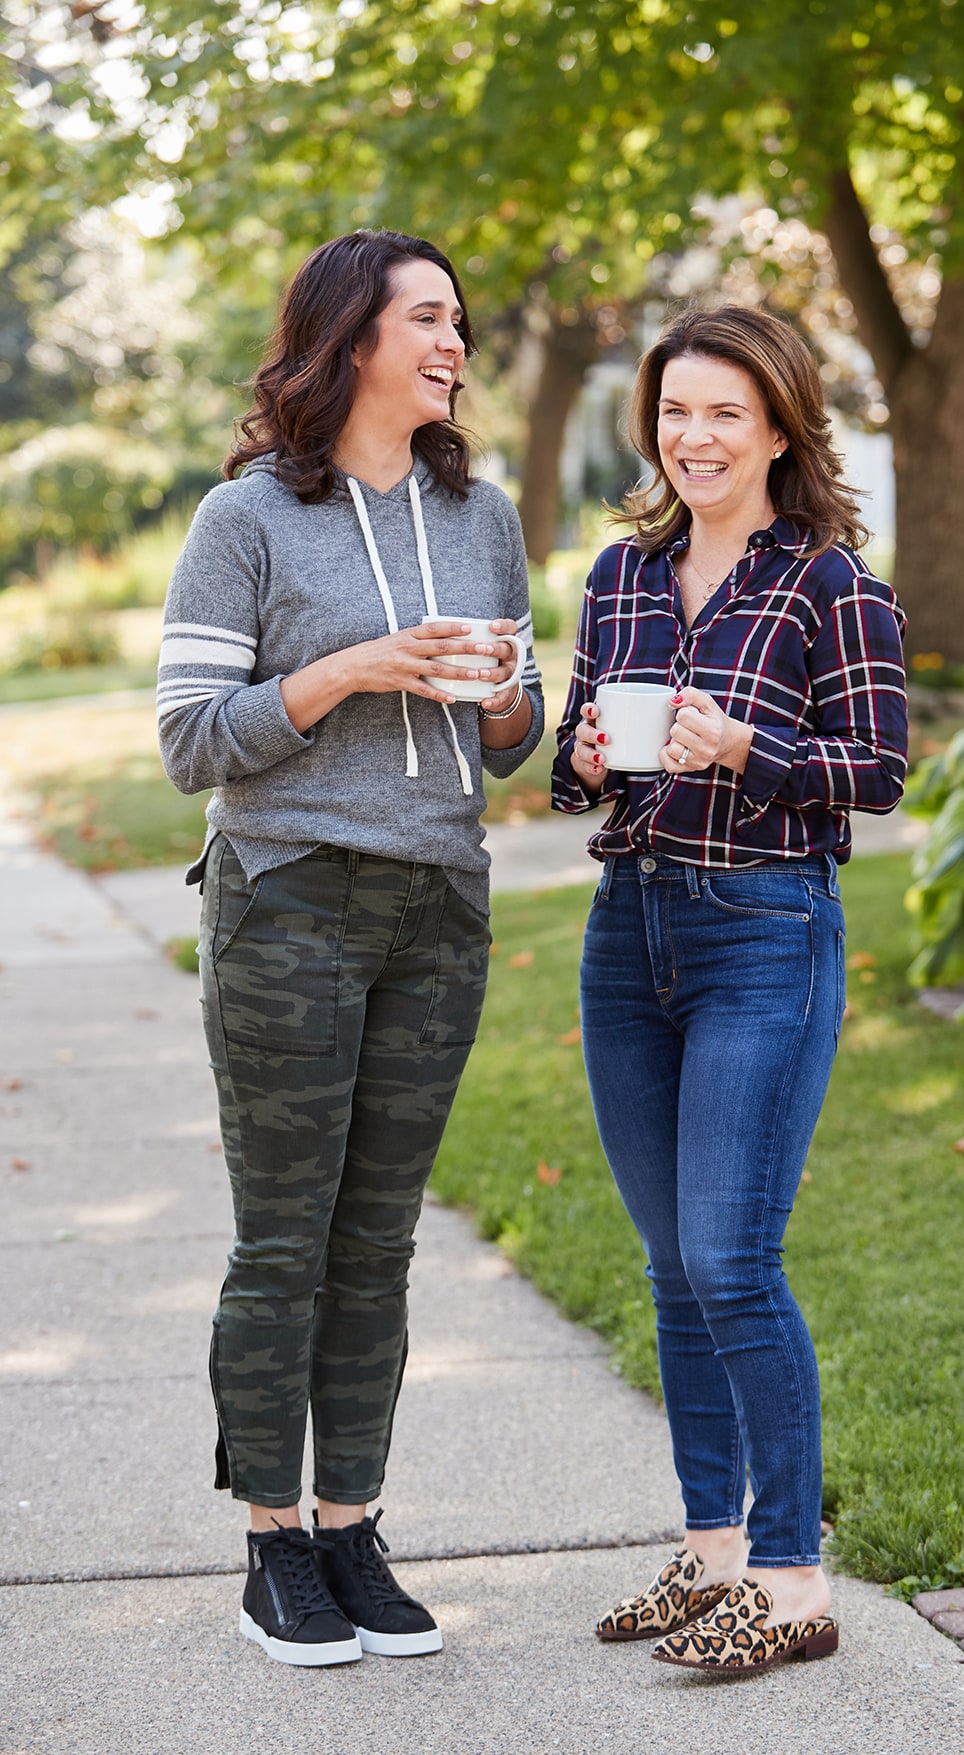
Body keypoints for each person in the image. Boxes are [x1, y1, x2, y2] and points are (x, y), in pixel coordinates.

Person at [158, 229, 543, 1668]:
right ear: (351, 339)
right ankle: (271, 1544)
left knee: (378, 1245)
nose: (453, 342)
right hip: (291, 900)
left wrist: (506, 694)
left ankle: (350, 1527)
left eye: (459, 317)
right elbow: (193, 744)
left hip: (437, 907)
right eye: (426, 318)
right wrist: (346, 671)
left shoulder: (482, 514)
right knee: (287, 1243)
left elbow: (513, 743)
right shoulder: (244, 519)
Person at [551, 304, 907, 1675]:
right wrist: (587, 756)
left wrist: (746, 745)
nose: (692, 437)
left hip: (761, 933)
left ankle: (793, 1584)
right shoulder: (618, 575)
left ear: (774, 427)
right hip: (625, 932)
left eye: (722, 413)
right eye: (674, 411)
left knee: (729, 1261)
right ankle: (708, 1557)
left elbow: (874, 773)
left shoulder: (828, 583)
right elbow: (581, 759)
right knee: (666, 1265)